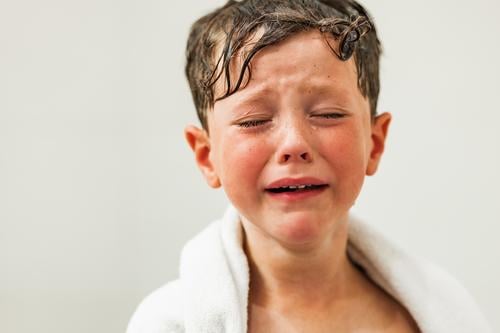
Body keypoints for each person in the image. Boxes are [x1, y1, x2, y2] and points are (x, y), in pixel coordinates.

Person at [127, 0, 491, 332]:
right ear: (206, 156)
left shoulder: (437, 315)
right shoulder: (169, 322)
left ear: (375, 143)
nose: (294, 144)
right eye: (254, 120)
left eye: (328, 114)